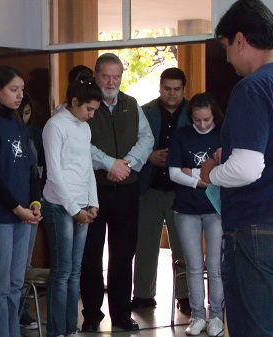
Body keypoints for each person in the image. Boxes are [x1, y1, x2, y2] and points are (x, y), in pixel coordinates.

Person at [200, 1, 273, 336]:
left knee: (257, 329)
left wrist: (212, 172)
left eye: (225, 47)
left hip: (258, 224)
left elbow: (247, 169)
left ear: (240, 40)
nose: (227, 58)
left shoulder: (254, 87)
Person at [80, 53, 154, 332]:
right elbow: (79, 144)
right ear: (96, 76)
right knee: (91, 256)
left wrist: (126, 165)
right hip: (93, 191)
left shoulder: (132, 104)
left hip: (126, 190)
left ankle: (121, 315)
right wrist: (109, 163)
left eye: (116, 76)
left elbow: (147, 139)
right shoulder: (84, 105)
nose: (111, 82)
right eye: (105, 76)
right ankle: (91, 316)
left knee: (123, 256)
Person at [0, 65, 42, 337]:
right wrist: (18, 208)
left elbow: (30, 168)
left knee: (15, 285)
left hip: (23, 217)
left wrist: (34, 203)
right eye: (13, 90)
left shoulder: (19, 124)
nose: (19, 95)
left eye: (21, 90)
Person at [42, 71, 103, 337]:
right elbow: (54, 173)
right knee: (62, 272)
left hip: (81, 207)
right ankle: (57, 330)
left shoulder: (85, 127)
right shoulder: (55, 126)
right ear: (75, 101)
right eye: (89, 109)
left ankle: (70, 328)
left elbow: (87, 168)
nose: (92, 114)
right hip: (59, 206)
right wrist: (74, 209)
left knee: (75, 273)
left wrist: (92, 203)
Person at [132, 67, 191, 313]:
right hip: (150, 187)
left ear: (183, 90)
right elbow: (133, 144)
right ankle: (144, 295)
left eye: (177, 89)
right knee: (145, 244)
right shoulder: (145, 112)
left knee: (184, 246)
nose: (172, 94)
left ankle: (186, 295)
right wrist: (149, 157)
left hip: (182, 191)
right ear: (160, 87)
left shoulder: (193, 112)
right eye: (167, 88)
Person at [168, 92, 224, 337]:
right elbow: (173, 173)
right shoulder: (181, 135)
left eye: (207, 120)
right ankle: (197, 315)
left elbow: (226, 171)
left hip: (215, 209)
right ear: (191, 116)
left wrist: (191, 171)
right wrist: (200, 179)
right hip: (186, 208)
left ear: (214, 116)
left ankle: (216, 317)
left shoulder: (223, 135)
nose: (202, 125)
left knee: (214, 266)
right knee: (193, 265)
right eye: (197, 120)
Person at [17, 91, 44, 331]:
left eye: (26, 114)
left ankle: (22, 310)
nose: (23, 118)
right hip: (9, 209)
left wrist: (36, 201)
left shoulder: (34, 134)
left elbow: (39, 170)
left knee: (25, 262)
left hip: (32, 204)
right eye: (19, 113)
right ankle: (9, 314)